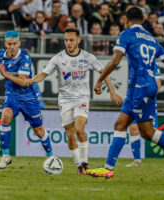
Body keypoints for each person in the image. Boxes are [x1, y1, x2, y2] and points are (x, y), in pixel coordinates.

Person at [86, 7, 164, 178]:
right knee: (121, 124)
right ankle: (108, 168)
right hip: (144, 86)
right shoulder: (152, 39)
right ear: (143, 21)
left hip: (141, 87)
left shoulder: (126, 34)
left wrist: (100, 80)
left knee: (147, 132)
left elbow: (115, 60)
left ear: (127, 21)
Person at [24, 27, 123, 174]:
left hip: (81, 97)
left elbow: (104, 72)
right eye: (66, 40)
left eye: (71, 40)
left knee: (79, 128)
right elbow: (43, 74)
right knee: (70, 134)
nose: (68, 43)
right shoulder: (58, 58)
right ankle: (80, 166)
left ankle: (85, 162)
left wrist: (112, 92)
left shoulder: (87, 57)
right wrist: (31, 80)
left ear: (78, 40)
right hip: (64, 100)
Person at [0, 30, 53, 169]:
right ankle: (6, 156)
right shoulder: (2, 54)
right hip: (12, 95)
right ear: (5, 44)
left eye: (15, 43)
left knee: (38, 130)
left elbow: (22, 81)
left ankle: (51, 156)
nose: (12, 46)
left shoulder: (24, 57)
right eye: (9, 44)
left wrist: (5, 74)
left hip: (28, 97)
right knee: (5, 117)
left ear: (19, 43)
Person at [126, 64, 164, 168]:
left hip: (148, 101)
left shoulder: (153, 65)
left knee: (151, 132)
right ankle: (137, 161)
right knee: (133, 128)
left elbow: (158, 83)